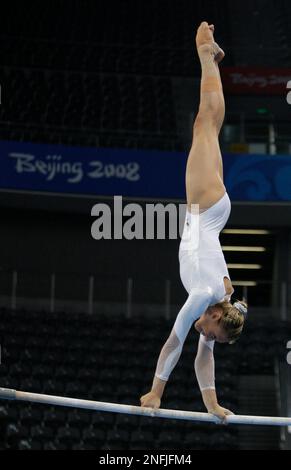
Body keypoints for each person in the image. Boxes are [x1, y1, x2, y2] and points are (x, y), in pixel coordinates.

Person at [140, 22, 248, 422]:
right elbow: (174, 342)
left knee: (209, 127)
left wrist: (212, 406)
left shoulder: (221, 299)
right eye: (212, 332)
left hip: (214, 213)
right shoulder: (204, 296)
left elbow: (203, 359)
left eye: (211, 336)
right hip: (205, 207)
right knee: (203, 124)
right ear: (217, 316)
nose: (207, 336)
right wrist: (156, 392)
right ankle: (206, 55)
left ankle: (212, 61)